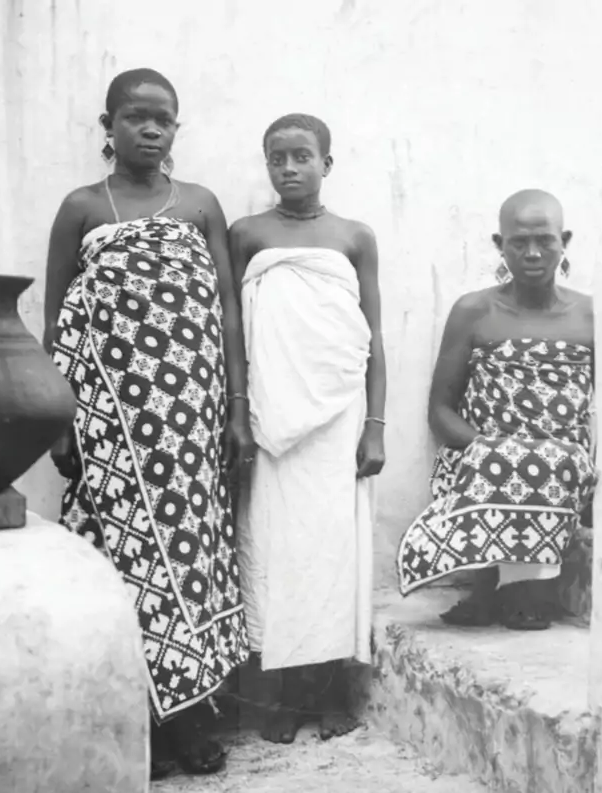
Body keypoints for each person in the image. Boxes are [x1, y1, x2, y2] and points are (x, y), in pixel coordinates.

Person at [43, 68, 249, 780]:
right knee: (122, 562)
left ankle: (190, 720)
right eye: (136, 116)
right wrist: (58, 422)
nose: (151, 129)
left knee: (190, 558)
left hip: (190, 418)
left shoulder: (199, 206)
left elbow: (226, 311)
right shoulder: (80, 208)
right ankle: (136, 723)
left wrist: (237, 412)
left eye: (164, 118)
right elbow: (55, 320)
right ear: (110, 125)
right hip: (109, 421)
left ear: (177, 130)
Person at [229, 113, 386, 744]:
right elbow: (232, 332)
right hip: (271, 414)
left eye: (301, 156)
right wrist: (240, 413)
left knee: (332, 552)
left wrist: (374, 426)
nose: (289, 168)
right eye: (276, 158)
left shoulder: (354, 236)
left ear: (327, 162)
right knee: (274, 549)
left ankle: (329, 693)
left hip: (338, 416)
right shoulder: (245, 234)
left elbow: (373, 338)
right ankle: (281, 702)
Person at [396, 189, 598, 630]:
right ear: (498, 244)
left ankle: (524, 593)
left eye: (544, 240)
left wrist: (554, 456)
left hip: (565, 466)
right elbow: (441, 411)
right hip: (481, 459)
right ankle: (502, 590)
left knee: (550, 460)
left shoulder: (591, 315)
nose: (531, 252)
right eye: (518, 242)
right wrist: (497, 450)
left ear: (565, 240)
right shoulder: (474, 311)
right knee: (517, 460)